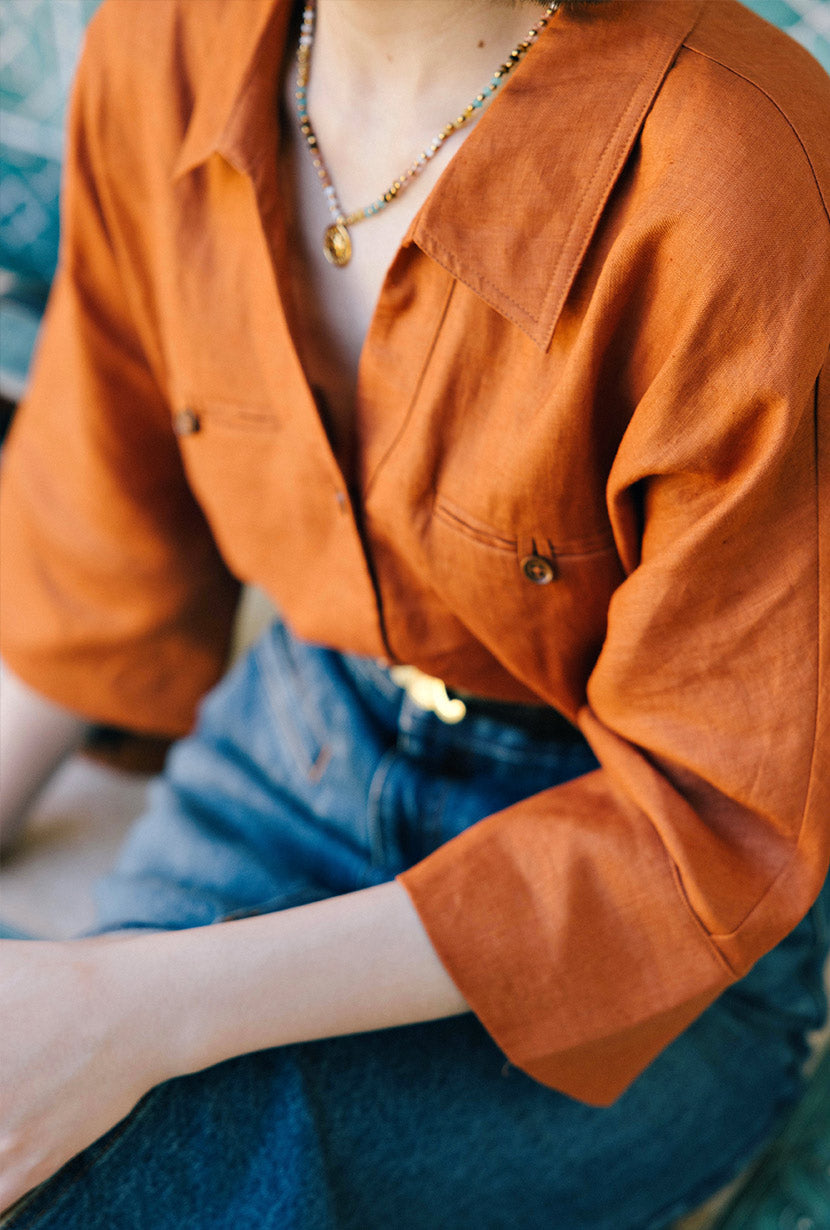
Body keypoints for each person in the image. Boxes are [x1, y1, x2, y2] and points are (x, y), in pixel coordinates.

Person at [0, 0, 828, 1226]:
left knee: (127, 1169)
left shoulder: (739, 172)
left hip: (650, 924)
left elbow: (712, 829)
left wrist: (142, 1007)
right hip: (294, 740)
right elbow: (100, 557)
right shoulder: (168, 37)